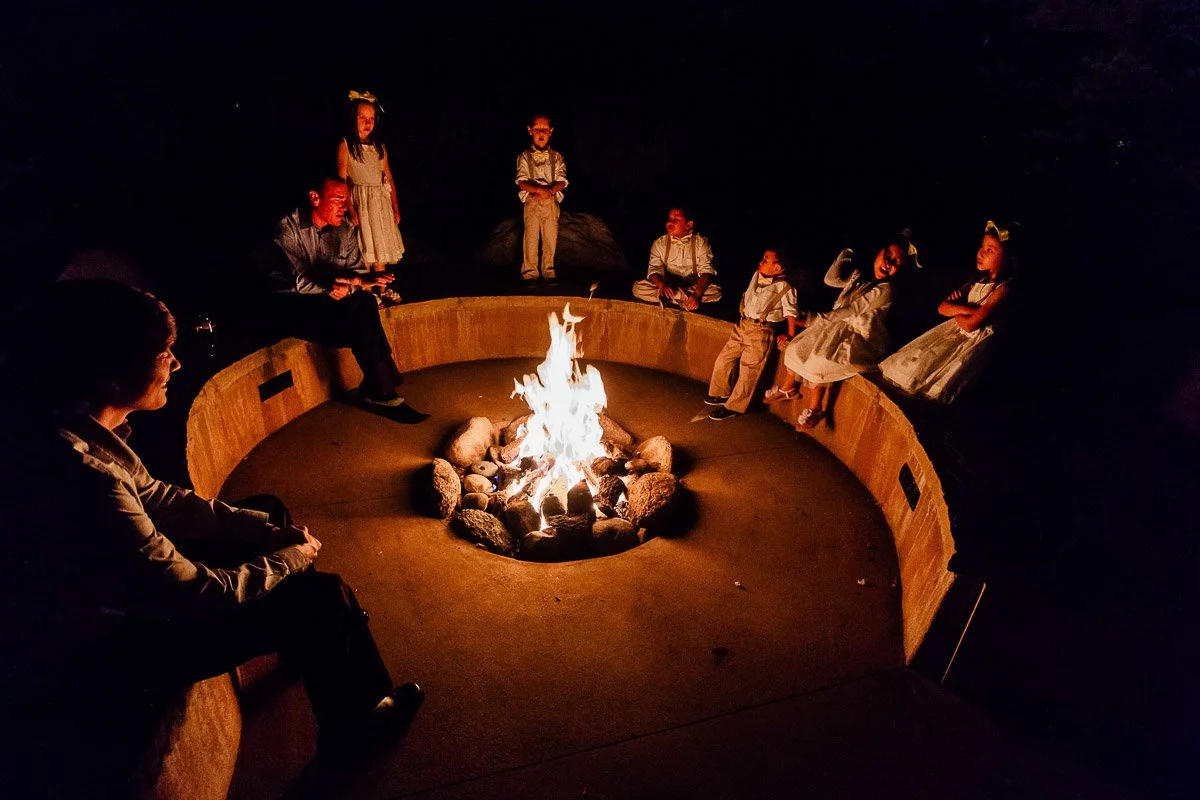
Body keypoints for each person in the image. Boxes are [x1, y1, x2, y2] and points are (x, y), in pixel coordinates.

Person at [0, 280, 423, 795]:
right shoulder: (81, 477)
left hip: (136, 601)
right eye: (164, 354)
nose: (177, 365)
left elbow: (156, 496)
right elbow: (198, 596)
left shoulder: (80, 426)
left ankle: (314, 646)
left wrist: (260, 529)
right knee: (321, 597)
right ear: (111, 378)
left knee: (265, 512)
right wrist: (290, 558)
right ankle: (355, 730)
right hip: (112, 652)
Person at [262, 176, 407, 408]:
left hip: (330, 308)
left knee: (364, 304)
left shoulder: (345, 230)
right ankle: (379, 386)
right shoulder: (286, 229)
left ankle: (380, 386)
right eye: (339, 200)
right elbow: (297, 281)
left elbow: (356, 275)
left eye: (346, 201)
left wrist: (350, 286)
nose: (345, 207)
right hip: (293, 309)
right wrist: (349, 283)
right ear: (315, 198)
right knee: (362, 312)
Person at [763, 232, 919, 430]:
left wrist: (813, 319)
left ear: (901, 270)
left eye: (895, 262)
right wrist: (846, 253)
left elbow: (853, 310)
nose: (888, 263)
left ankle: (816, 407)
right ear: (879, 252)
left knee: (820, 359)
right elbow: (831, 279)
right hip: (837, 326)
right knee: (796, 349)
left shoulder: (886, 289)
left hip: (859, 337)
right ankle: (788, 388)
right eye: (887, 255)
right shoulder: (860, 277)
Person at [879, 221, 1017, 403]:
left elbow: (970, 325)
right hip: (954, 333)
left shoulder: (1002, 289)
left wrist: (960, 313)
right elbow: (942, 308)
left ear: (1007, 258)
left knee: (936, 384)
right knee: (915, 366)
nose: (981, 253)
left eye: (990, 250)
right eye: (982, 247)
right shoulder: (977, 280)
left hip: (971, 345)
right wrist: (966, 310)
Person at [705, 249, 800, 420]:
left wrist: (790, 333)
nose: (761, 262)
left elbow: (790, 312)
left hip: (761, 330)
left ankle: (734, 406)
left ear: (778, 268)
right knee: (724, 358)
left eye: (765, 260)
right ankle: (720, 393)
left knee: (749, 369)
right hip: (743, 325)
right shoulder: (757, 275)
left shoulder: (786, 287)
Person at [337, 90, 405, 306]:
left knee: (380, 247)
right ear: (353, 119)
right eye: (362, 118)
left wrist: (394, 206)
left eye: (371, 119)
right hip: (361, 202)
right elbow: (341, 180)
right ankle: (369, 293)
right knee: (366, 247)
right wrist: (350, 208)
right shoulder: (346, 145)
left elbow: (389, 177)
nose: (367, 123)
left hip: (379, 203)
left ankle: (383, 289)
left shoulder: (379, 147)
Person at [631, 207, 722, 310]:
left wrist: (697, 294)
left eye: (676, 219)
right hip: (668, 286)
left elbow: (706, 272)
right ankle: (682, 299)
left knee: (715, 292)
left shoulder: (700, 243)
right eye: (669, 219)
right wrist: (662, 285)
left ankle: (672, 299)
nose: (670, 222)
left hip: (691, 286)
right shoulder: (660, 243)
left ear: (689, 225)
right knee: (638, 288)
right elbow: (653, 270)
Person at [515, 113, 568, 283]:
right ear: (530, 130)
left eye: (545, 129)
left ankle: (549, 270)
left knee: (550, 237)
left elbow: (562, 180)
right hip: (532, 201)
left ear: (551, 131)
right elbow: (521, 181)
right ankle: (530, 272)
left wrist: (550, 191)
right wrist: (537, 190)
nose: (541, 132)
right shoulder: (524, 156)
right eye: (537, 128)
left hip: (550, 202)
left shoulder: (557, 157)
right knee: (530, 237)